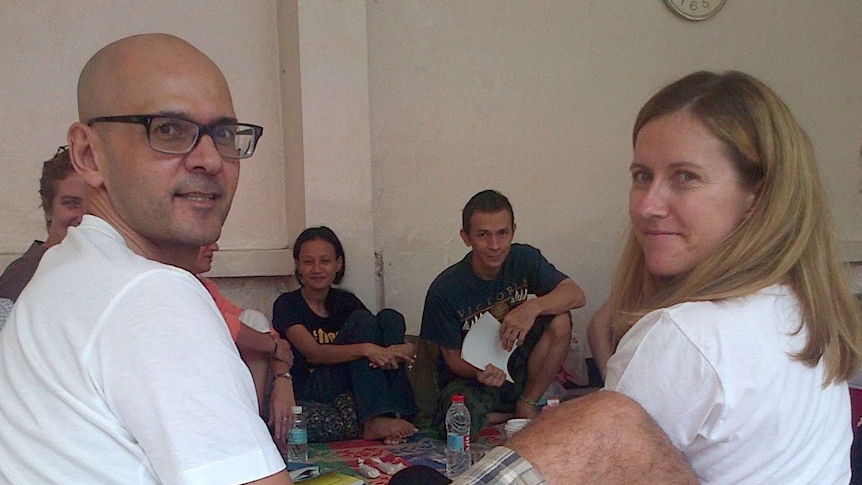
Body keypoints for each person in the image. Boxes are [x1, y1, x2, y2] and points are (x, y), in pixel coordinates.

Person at [455, 71, 862, 484]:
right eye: (642, 176)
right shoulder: (800, 306)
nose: (647, 206)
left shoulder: (687, 336)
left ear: (757, 195)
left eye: (685, 177)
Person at [0, 34, 290, 484]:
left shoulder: (65, 269)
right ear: (88, 154)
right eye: (168, 130)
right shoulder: (151, 294)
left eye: (225, 134)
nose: (211, 159)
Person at [420, 189, 587, 435]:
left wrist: (532, 307)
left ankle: (527, 404)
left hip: (519, 366)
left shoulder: (524, 258)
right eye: (483, 235)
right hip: (473, 378)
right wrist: (480, 372)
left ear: (513, 231)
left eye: (502, 233)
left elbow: (576, 295)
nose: (495, 245)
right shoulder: (445, 289)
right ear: (466, 237)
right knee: (457, 420)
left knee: (560, 318)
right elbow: (453, 359)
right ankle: (507, 415)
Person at [272, 226, 419, 444]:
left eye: (325, 261)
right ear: (298, 266)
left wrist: (405, 349)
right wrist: (366, 349)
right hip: (314, 385)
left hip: (348, 384)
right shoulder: (288, 304)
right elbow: (314, 353)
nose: (317, 269)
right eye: (308, 262)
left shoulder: (346, 301)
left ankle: (397, 413)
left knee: (390, 318)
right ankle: (377, 418)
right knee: (362, 324)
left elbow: (377, 336)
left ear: (338, 264)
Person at [190, 243, 296, 442]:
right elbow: (224, 325)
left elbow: (258, 330)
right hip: (194, 394)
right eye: (204, 241)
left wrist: (283, 378)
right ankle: (249, 430)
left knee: (253, 319)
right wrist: (273, 347)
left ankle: (252, 424)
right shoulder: (172, 283)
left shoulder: (204, 285)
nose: (215, 247)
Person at [0, 146, 86, 301]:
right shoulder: (22, 278)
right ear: (48, 209)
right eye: (71, 204)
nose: (84, 216)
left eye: (97, 206)